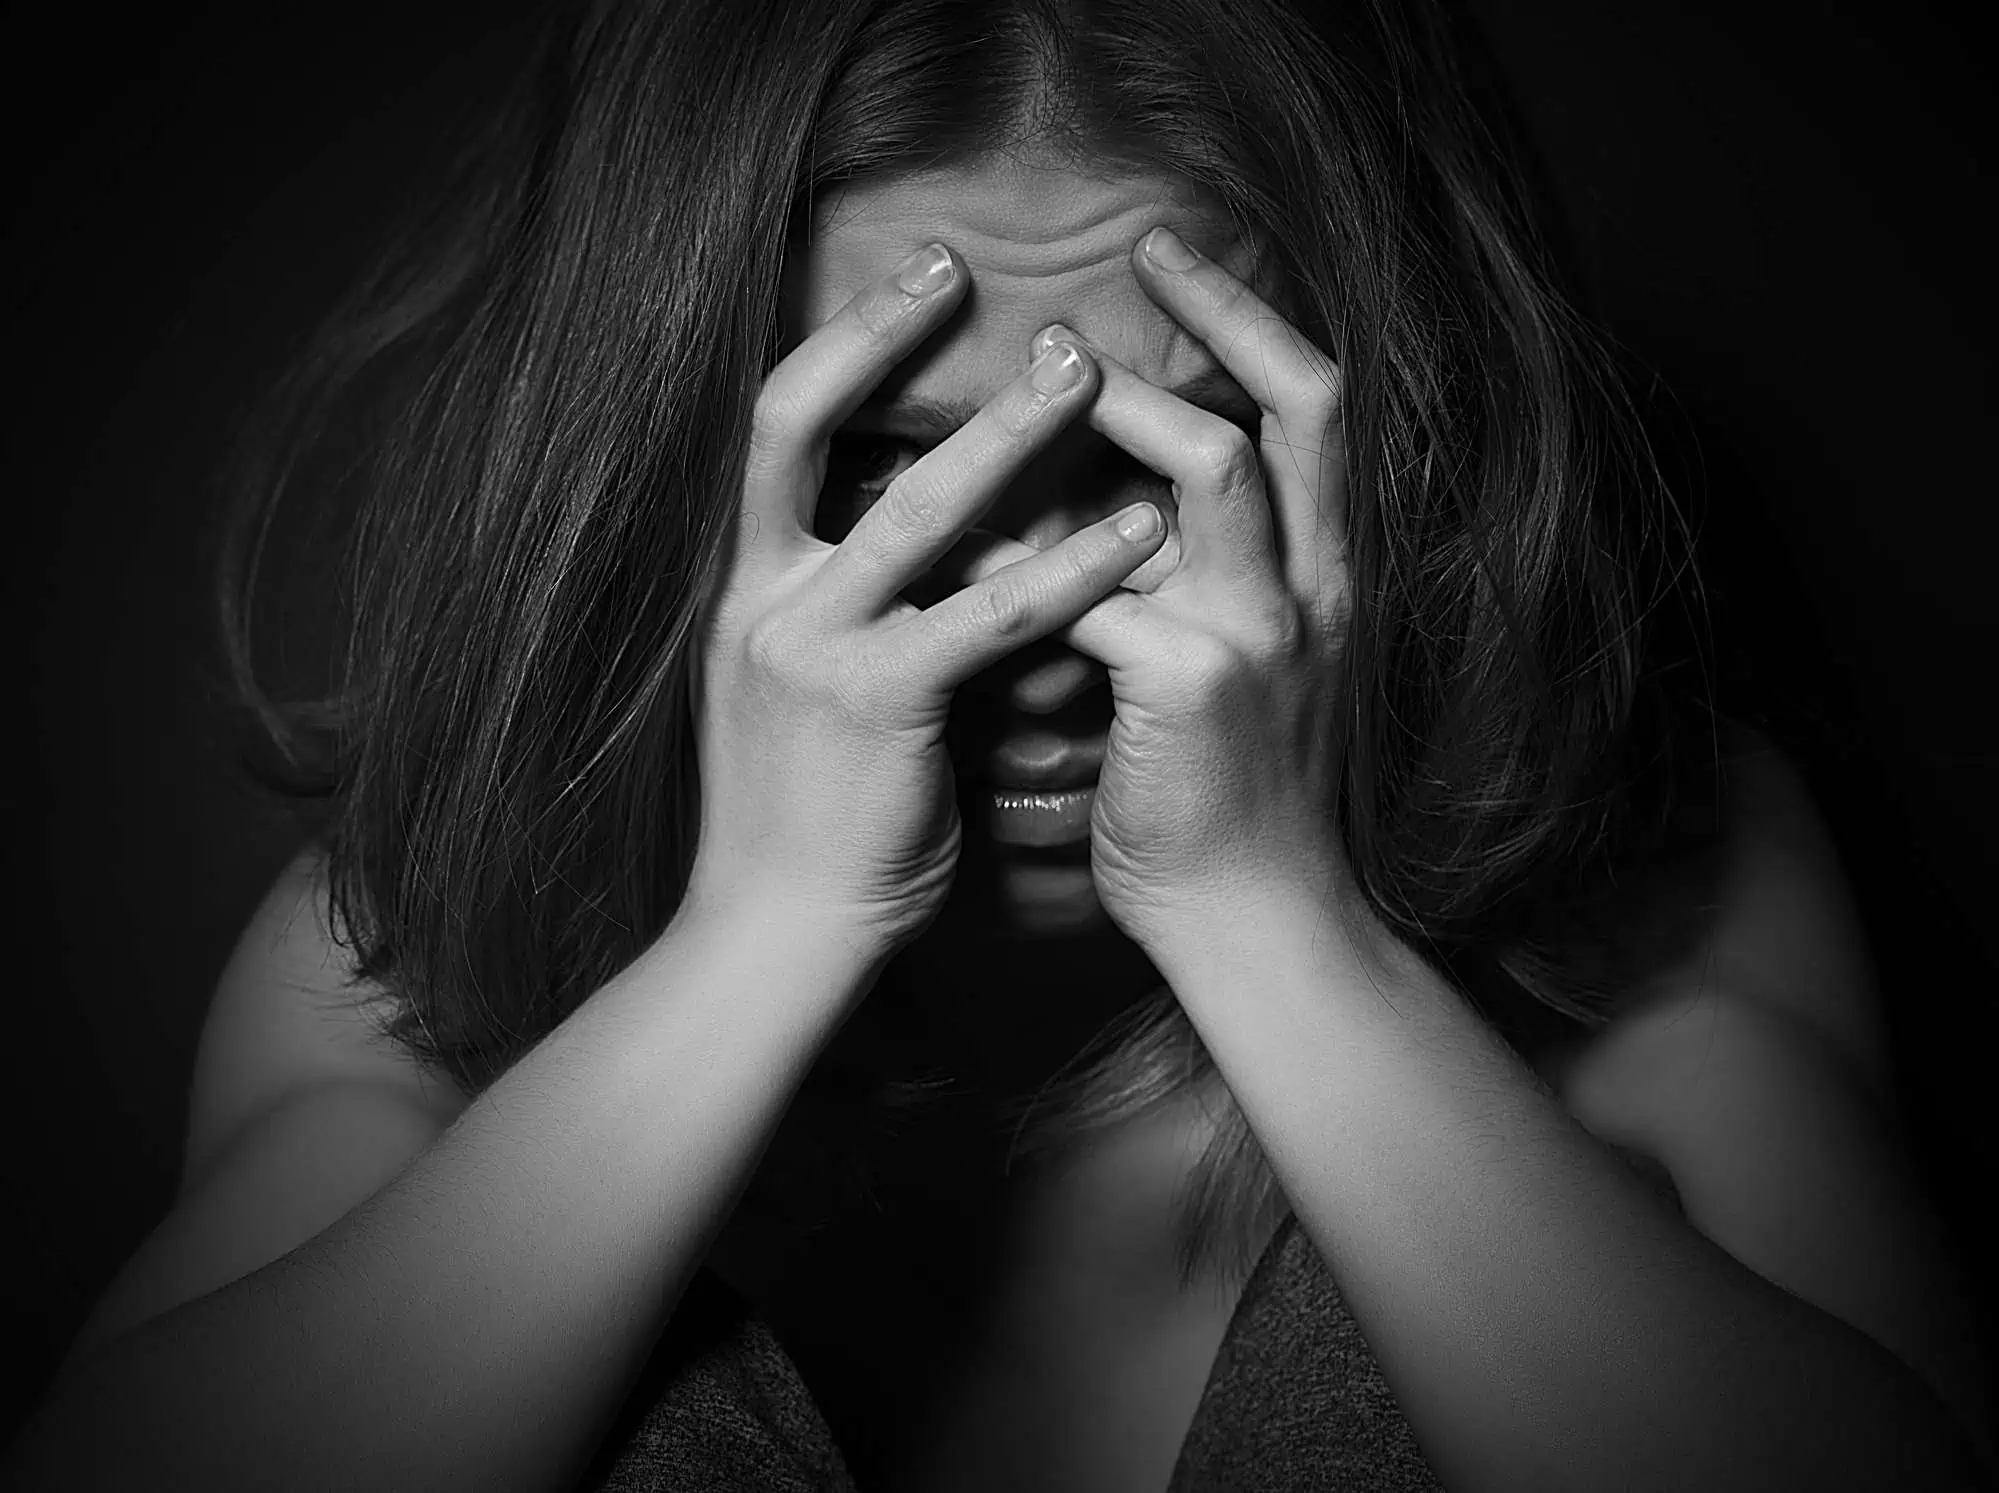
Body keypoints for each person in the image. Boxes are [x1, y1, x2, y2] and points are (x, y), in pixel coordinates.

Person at [8, 0, 1995, 1489]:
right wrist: (760, 935)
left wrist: (1273, 922)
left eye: (1174, 455)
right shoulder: (405, 946)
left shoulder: (1672, 874)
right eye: (890, 465)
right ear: (669, 461)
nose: (1036, 607)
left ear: (1390, 442)